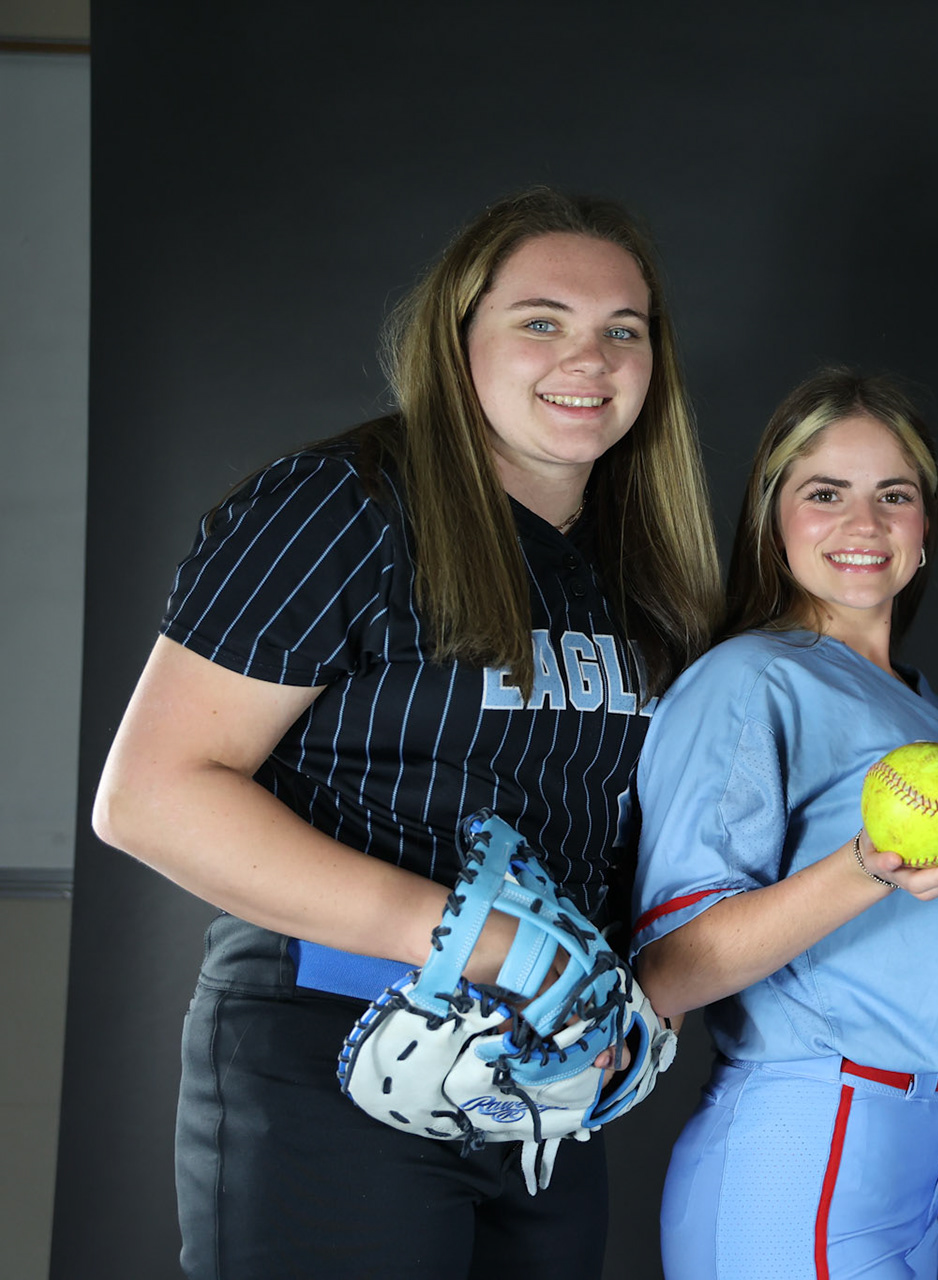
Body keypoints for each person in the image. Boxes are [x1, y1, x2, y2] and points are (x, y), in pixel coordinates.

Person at [91, 188, 723, 1279]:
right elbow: (151, 792)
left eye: (626, 329)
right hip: (333, 1048)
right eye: (542, 321)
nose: (591, 356)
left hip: (539, 1083)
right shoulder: (340, 506)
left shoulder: (639, 576)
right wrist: (474, 937)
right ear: (457, 337)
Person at [631, 369, 938, 1280]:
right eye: (825, 494)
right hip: (806, 1138)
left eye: (895, 495)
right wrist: (865, 867)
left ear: (925, 529)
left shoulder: (923, 706)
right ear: (774, 519)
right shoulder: (750, 679)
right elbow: (672, 970)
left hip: (933, 1143)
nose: (865, 524)